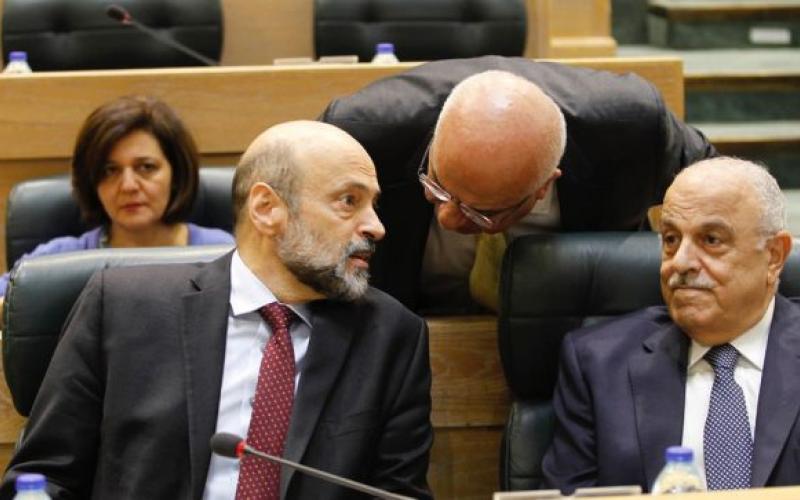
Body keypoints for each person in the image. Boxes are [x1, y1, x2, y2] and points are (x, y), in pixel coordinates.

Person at [0, 121, 433, 499]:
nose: (376, 226)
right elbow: (44, 478)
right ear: (267, 209)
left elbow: (397, 492)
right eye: (348, 201)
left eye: (373, 204)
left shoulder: (391, 335)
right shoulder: (122, 307)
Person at [321, 56, 717, 312]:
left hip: (579, 326)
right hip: (409, 321)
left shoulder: (630, 129)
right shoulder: (361, 133)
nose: (448, 218)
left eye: (482, 212)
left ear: (544, 185)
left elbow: (726, 192)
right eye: (438, 186)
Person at [542, 157, 800, 493]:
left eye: (711, 240)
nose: (680, 262)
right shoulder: (599, 364)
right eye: (671, 239)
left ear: (774, 255)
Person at [0, 95, 233, 296]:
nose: (128, 186)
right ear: (92, 182)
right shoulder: (56, 261)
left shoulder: (223, 254)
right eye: (110, 171)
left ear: (176, 174)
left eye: (146, 167)